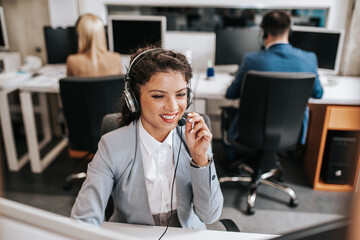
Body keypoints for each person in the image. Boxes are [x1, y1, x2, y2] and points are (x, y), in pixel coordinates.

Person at [70, 47, 223, 229]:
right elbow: (84, 219)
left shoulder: (195, 139)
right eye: (159, 96)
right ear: (134, 99)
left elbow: (210, 215)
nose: (173, 107)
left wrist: (200, 159)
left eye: (181, 94)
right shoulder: (112, 146)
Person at [224, 10, 324, 160]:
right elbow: (318, 94)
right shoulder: (309, 59)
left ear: (264, 32)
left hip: (251, 131)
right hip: (290, 133)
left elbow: (231, 94)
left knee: (227, 112)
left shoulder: (251, 59)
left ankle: (229, 160)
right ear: (289, 31)